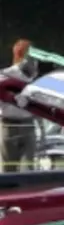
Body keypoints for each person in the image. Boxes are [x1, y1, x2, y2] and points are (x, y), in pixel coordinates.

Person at [0, 39, 39, 171]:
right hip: (10, 125)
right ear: (21, 54)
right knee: (10, 169)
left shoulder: (34, 77)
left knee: (26, 168)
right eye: (30, 54)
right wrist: (12, 98)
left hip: (27, 124)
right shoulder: (6, 74)